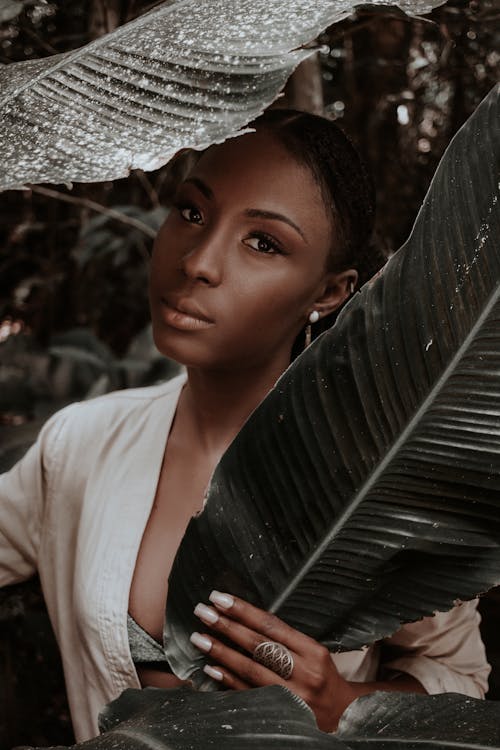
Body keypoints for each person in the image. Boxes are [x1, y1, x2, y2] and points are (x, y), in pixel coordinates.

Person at [0, 109, 490, 742]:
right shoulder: (82, 442)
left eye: (264, 242)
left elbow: (459, 676)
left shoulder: (377, 474)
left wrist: (339, 702)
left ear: (330, 291)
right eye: (193, 212)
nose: (199, 262)